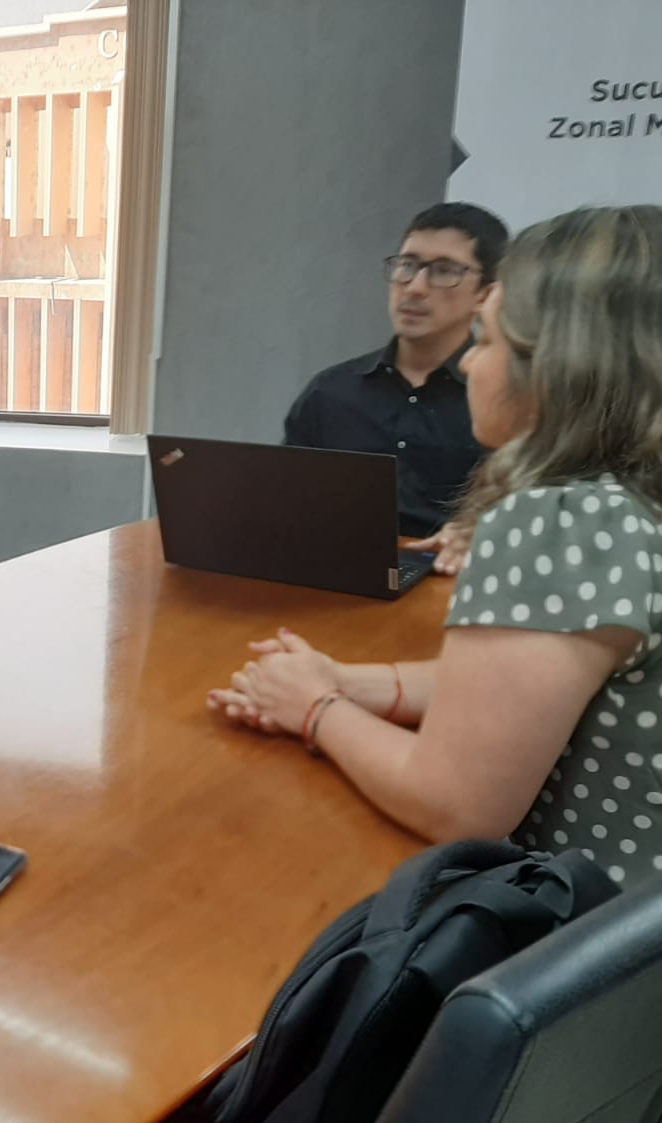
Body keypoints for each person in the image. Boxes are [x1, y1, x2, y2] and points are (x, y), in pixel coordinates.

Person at [212, 205, 662, 886]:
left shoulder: (559, 519)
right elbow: (526, 680)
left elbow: (457, 805)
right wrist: (346, 681)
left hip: (584, 927)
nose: (472, 361)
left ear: (557, 368)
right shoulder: (626, 503)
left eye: (487, 340)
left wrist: (315, 709)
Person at [284, 202, 509, 565]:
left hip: (453, 580)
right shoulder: (331, 393)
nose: (415, 288)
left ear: (485, 295)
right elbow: (283, 503)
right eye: (407, 265)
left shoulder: (503, 402)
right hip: (337, 575)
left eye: (444, 271)